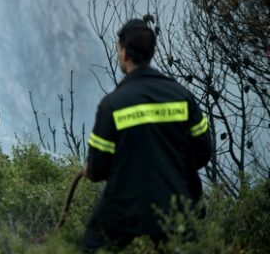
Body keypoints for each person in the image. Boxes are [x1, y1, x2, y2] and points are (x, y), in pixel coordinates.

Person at [81, 16, 212, 253]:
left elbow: (98, 168)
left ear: (123, 53)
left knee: (94, 246)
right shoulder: (182, 96)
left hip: (125, 206)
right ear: (152, 52)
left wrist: (92, 169)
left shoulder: (112, 105)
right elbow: (203, 151)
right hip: (175, 201)